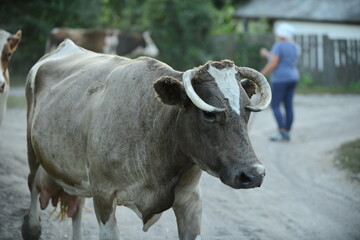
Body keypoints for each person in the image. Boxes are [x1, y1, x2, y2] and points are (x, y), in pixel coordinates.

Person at [260, 23, 300, 141]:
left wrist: (261, 75)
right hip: (293, 77)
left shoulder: (279, 45)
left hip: (281, 79)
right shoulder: (294, 46)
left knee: (275, 104)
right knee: (288, 105)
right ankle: (287, 132)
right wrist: (267, 54)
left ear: (280, 34)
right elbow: (280, 59)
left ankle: (281, 132)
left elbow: (274, 63)